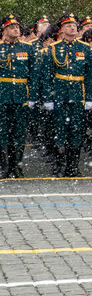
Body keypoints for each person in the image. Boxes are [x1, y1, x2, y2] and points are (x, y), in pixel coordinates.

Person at [37, 13, 92, 177]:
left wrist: (89, 97)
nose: (72, 28)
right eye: (68, 25)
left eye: (74, 26)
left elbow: (89, 76)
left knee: (76, 131)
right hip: (60, 95)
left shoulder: (84, 48)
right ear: (62, 29)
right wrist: (48, 98)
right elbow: (47, 77)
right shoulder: (53, 49)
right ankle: (59, 165)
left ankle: (73, 166)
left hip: (78, 95)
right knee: (59, 131)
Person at [0, 14, 36, 178]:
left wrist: (33, 96)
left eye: (17, 27)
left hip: (21, 96)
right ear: (4, 30)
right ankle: (4, 166)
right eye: (12, 27)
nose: (16, 29)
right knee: (2, 134)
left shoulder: (27, 48)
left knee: (19, 134)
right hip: (2, 95)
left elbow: (34, 74)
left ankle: (17, 166)